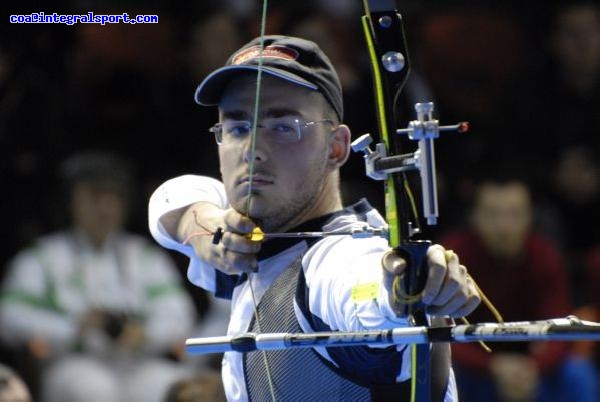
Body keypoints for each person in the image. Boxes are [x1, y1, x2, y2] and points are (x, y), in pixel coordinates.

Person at [148, 35, 480, 401]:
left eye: (283, 127)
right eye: (237, 128)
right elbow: (169, 199)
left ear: (336, 147)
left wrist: (404, 287)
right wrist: (201, 226)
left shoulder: (338, 259)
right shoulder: (252, 244)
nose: (251, 151)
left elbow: (361, 291)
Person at [0, 151, 196, 402]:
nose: (104, 208)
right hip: (73, 362)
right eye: (94, 197)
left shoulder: (144, 256)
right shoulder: (43, 256)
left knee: (175, 385)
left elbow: (181, 314)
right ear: (72, 201)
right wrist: (75, 328)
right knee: (95, 390)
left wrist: (147, 333)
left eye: (113, 198)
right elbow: (9, 316)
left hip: (136, 361)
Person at [440, 176, 596, 402]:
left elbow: (563, 332)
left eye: (514, 215)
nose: (504, 226)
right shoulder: (452, 256)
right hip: (475, 370)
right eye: (493, 215)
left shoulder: (545, 256)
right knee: (443, 372)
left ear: (530, 216)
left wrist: (532, 368)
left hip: (532, 371)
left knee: (578, 373)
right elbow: (442, 332)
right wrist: (493, 366)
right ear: (474, 217)